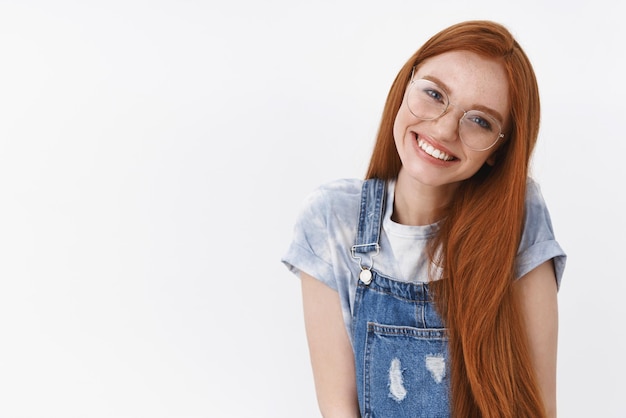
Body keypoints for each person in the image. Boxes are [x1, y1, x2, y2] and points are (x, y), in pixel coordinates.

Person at [282, 20, 566, 418]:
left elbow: (540, 408)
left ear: (499, 151)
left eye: (480, 120)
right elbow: (338, 408)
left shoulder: (519, 217)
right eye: (434, 94)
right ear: (406, 84)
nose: (445, 128)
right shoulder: (332, 218)